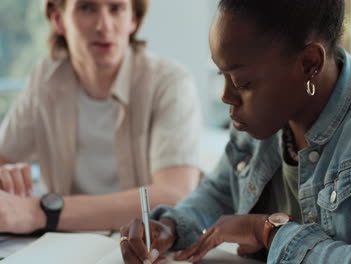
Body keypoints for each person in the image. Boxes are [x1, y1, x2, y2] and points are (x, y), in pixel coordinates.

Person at [120, 0, 351, 263]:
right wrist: (171, 227)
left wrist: (267, 231)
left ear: (309, 63)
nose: (226, 97)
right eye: (222, 74)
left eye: (243, 83)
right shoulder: (266, 120)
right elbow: (219, 191)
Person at [0, 0, 202, 234]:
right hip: (62, 245)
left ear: (133, 20)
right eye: (87, 8)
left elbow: (175, 195)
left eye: (116, 8)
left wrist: (39, 211)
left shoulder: (170, 82)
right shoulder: (45, 79)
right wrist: (6, 179)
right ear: (58, 19)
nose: (103, 25)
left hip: (140, 246)